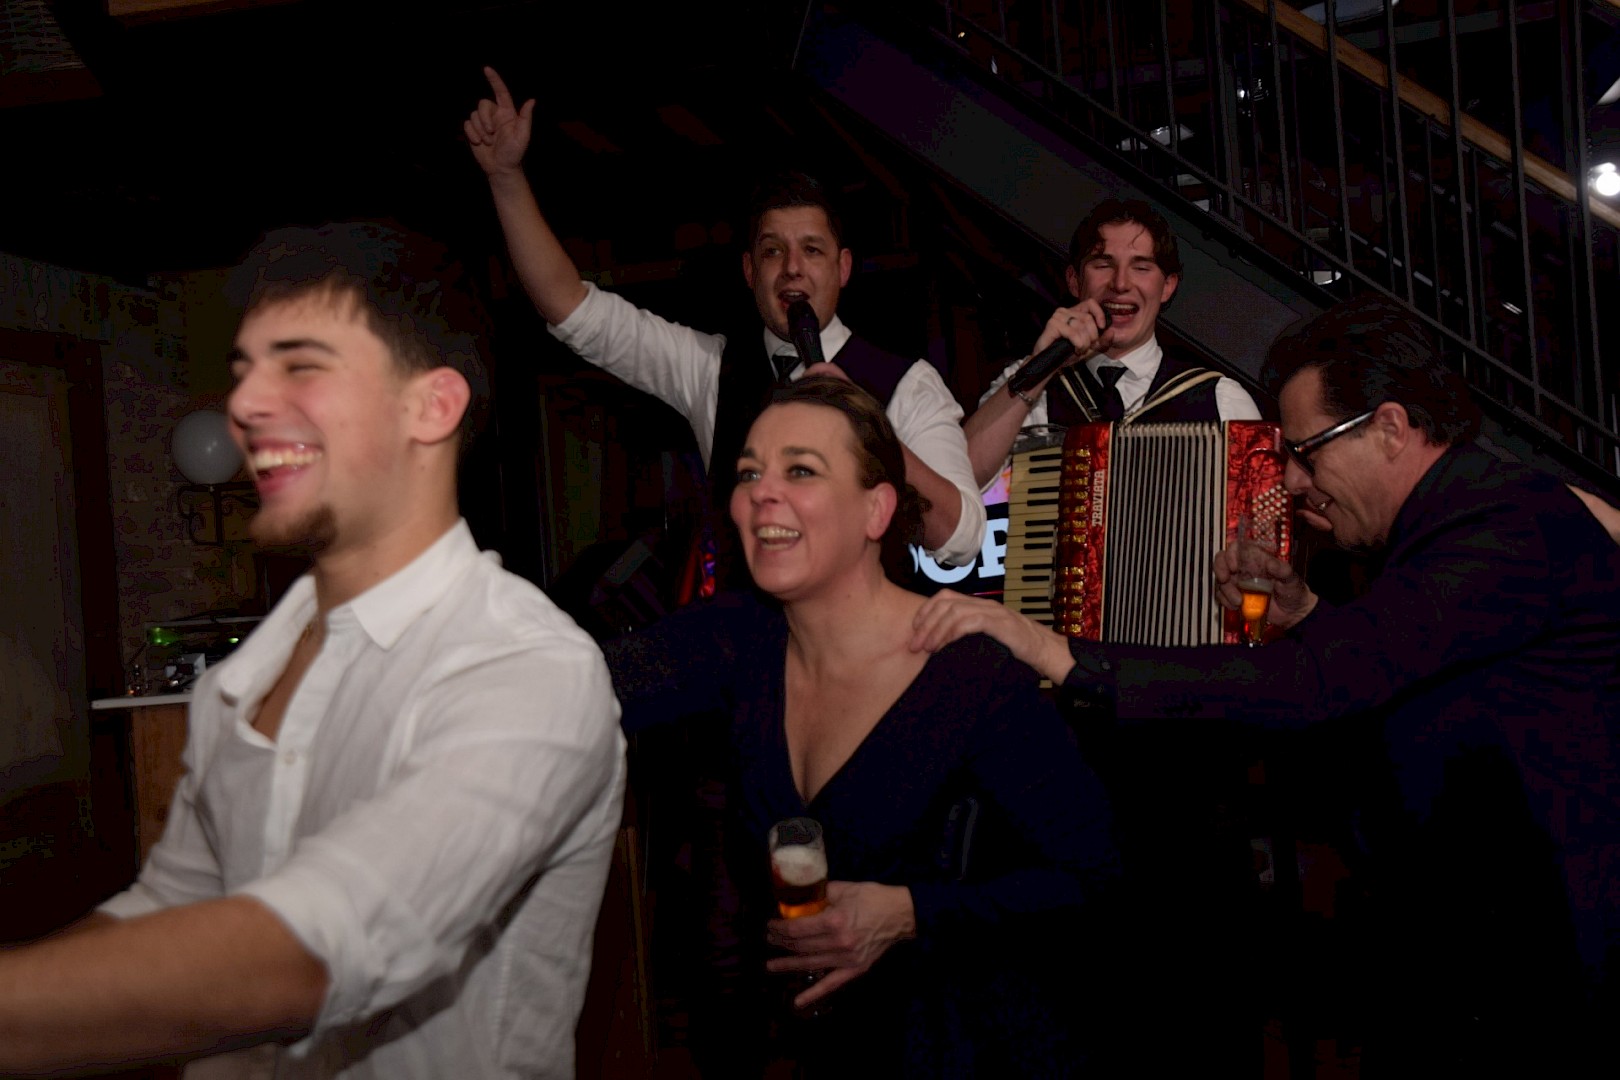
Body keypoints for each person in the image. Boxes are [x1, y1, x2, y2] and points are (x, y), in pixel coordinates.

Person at [912, 294, 1620, 1075]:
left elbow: (1320, 681)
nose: (1294, 479)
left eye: (1308, 452)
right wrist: (1305, 611)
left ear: (1390, 427)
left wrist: (1060, 652)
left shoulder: (1498, 524)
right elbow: (1403, 662)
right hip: (1495, 935)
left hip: (1555, 947)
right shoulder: (1457, 518)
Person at [0, 223, 627, 1077]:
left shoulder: (525, 670)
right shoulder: (238, 682)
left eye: (299, 366)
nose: (245, 405)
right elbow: (171, 907)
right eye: (244, 371)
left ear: (431, 407)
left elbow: (315, 951)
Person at [605, 377, 1119, 1075]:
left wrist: (910, 913)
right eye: (749, 473)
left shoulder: (970, 677)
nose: (762, 493)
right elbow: (575, 682)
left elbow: (1096, 885)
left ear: (876, 509)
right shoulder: (735, 639)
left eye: (801, 471)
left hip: (972, 1052)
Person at [464, 67, 985, 578]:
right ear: (750, 271)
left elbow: (961, 540)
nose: (793, 267)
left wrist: (870, 428)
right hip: (740, 631)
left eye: (812, 250)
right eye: (773, 251)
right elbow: (571, 307)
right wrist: (506, 179)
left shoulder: (907, 384)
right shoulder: (712, 370)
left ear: (843, 268)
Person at [963, 197, 1260, 489]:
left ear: (1167, 287)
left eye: (1141, 267)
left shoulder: (1221, 401)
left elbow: (1256, 517)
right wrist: (1038, 368)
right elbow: (960, 480)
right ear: (1074, 280)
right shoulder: (1026, 383)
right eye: (1103, 264)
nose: (1120, 284)